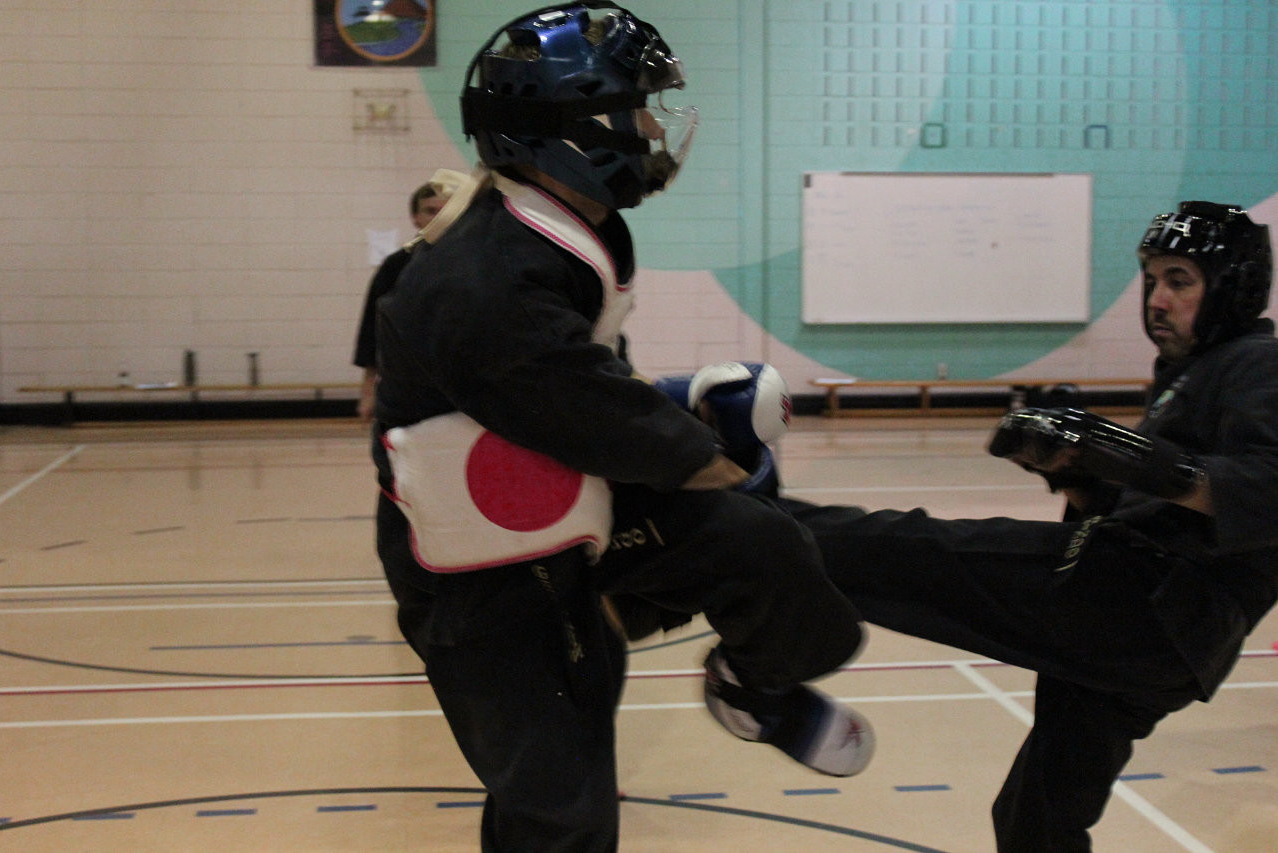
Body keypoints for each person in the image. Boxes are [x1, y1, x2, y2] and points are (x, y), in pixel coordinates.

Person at [369, 4, 873, 850]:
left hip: (571, 511)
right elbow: (590, 412)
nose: (654, 129)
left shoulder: (558, 233)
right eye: (637, 111)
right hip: (480, 578)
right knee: (560, 808)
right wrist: (718, 452)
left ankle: (749, 687)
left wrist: (687, 408)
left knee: (768, 553)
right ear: (573, 128)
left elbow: (581, 385)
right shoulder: (484, 279)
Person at [772, 200, 1277, 852]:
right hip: (1150, 635)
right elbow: (1154, 504)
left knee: (916, 550)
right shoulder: (1189, 371)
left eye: (1178, 280)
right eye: (1150, 279)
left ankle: (753, 521)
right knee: (1034, 818)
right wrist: (1073, 471)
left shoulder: (1258, 363)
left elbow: (1264, 489)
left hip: (1150, 608)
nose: (1155, 299)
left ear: (1232, 287)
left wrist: (1121, 453)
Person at [352, 172, 460, 421]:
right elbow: (373, 328)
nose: (439, 217)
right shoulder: (396, 266)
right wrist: (368, 389)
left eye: (446, 210)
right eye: (431, 211)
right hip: (409, 385)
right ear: (415, 218)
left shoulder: (476, 265)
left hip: (461, 383)